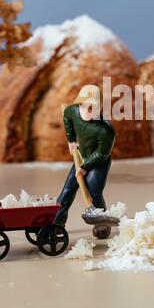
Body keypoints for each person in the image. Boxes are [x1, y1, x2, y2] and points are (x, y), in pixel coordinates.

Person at [55, 86, 115, 239]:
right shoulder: (73, 111)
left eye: (92, 106)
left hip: (98, 162)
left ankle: (102, 223)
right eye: (83, 105)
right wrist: (71, 140)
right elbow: (67, 117)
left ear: (99, 107)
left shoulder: (105, 129)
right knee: (67, 191)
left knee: (94, 191)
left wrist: (85, 167)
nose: (86, 109)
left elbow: (102, 153)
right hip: (81, 156)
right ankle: (57, 223)